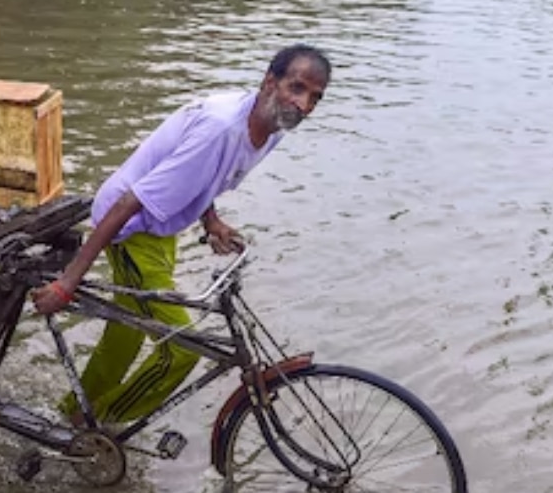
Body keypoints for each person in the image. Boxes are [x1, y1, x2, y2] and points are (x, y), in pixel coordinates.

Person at [32, 45, 331, 427]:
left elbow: (203, 176)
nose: (304, 105)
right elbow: (130, 201)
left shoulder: (273, 128)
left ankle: (73, 413)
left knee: (126, 330)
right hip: (129, 227)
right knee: (182, 349)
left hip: (162, 223)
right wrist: (68, 282)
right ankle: (98, 428)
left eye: (315, 98)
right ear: (269, 82)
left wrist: (211, 220)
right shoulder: (221, 129)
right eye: (297, 88)